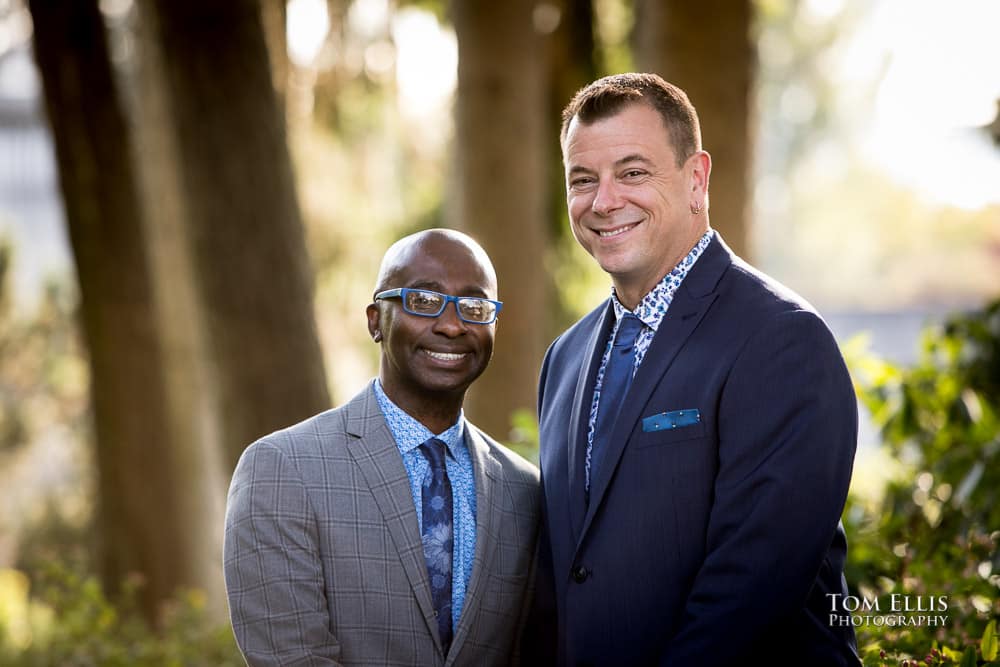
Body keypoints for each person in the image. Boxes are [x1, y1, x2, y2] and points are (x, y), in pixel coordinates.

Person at [524, 73, 861, 666]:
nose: (603, 201)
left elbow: (750, 594)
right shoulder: (565, 359)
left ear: (696, 180)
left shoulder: (781, 340)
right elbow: (562, 580)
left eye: (632, 173)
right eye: (583, 180)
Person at [224, 229, 540, 666]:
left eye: (474, 307)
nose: (452, 325)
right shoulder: (283, 469)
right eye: (423, 301)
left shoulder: (524, 491)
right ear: (376, 321)